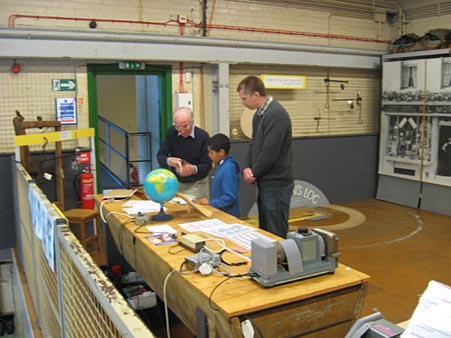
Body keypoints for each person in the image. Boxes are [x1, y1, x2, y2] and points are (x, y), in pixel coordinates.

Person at [237, 75, 294, 238]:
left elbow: (270, 152)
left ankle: (281, 263)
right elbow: (254, 144)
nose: (242, 102)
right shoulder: (259, 115)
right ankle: (268, 263)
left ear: (256, 95)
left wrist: (253, 173)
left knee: (275, 231)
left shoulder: (276, 115)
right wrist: (246, 167)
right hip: (265, 182)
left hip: (277, 185)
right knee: (265, 231)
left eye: (244, 98)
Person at [157, 107, 212, 199]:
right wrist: (169, 161)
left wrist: (193, 169)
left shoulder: (203, 136)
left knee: (196, 211)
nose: (182, 131)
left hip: (198, 184)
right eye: (178, 127)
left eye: (186, 126)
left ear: (192, 122)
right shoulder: (171, 133)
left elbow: (208, 164)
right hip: (176, 183)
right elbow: (160, 156)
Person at [197, 133, 240, 217]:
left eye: (211, 152)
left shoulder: (229, 169)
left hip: (228, 215)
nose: (209, 155)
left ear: (221, 152)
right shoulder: (221, 165)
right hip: (220, 212)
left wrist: (210, 203)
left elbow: (230, 196)